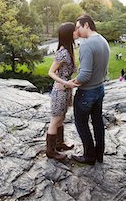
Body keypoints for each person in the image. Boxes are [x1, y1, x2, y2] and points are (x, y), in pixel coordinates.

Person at [67, 15, 110, 165]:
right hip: (99, 89)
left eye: (78, 27)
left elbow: (84, 74)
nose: (77, 30)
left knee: (81, 123)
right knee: (97, 121)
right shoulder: (103, 40)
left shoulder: (87, 45)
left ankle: (89, 156)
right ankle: (99, 154)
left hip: (87, 92)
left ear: (86, 25)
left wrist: (70, 83)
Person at [46, 22, 78, 161]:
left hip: (66, 90)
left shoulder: (68, 49)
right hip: (60, 90)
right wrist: (65, 83)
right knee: (56, 119)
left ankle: (59, 143)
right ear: (68, 34)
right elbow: (51, 72)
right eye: (75, 30)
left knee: (62, 117)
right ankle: (50, 151)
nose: (77, 32)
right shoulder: (63, 52)